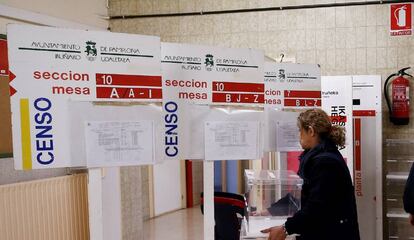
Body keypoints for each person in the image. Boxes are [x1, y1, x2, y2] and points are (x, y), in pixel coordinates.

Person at [261, 108, 360, 240]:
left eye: (300, 131)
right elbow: (302, 194)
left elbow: (316, 206)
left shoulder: (325, 162)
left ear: (311, 131)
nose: (299, 136)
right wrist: (271, 211)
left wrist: (286, 228)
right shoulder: (316, 157)